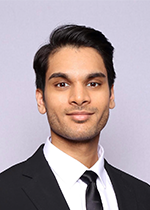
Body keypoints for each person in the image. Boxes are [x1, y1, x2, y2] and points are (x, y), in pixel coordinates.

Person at [0, 24, 150, 210]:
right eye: (62, 84)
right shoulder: (4, 193)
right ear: (41, 99)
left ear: (111, 95)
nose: (79, 98)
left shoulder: (143, 196)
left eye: (93, 84)